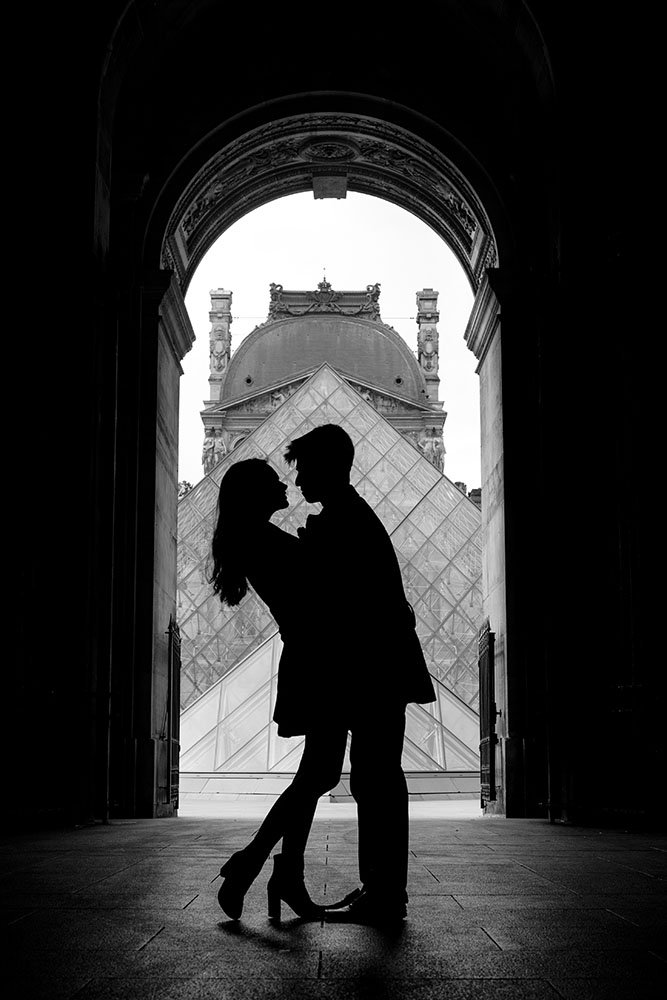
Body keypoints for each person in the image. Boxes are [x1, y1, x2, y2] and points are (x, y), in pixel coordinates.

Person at [285, 424, 436, 924]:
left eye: (304, 468)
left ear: (329, 467)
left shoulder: (343, 523)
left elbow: (336, 606)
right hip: (377, 671)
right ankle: (383, 888)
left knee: (377, 780)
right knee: (376, 779)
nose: (299, 479)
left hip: (371, 674)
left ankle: (386, 893)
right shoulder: (347, 517)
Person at [210, 458, 349, 922]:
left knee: (315, 774)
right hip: (318, 662)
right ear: (254, 494)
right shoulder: (262, 540)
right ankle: (256, 864)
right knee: (319, 775)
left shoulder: (254, 539)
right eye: (273, 480)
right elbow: (318, 594)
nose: (284, 483)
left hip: (310, 659)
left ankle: (279, 872)